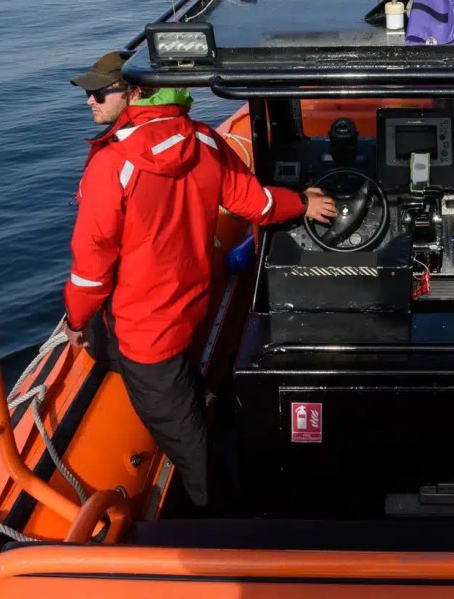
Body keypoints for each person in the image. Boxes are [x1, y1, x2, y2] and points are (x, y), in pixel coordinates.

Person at [61, 50, 336, 509]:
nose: (89, 101)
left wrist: (74, 319)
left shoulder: (111, 166)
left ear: (135, 93)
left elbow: (91, 268)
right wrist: (303, 204)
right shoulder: (205, 141)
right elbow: (258, 204)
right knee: (184, 400)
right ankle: (208, 415)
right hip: (189, 310)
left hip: (144, 334)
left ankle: (220, 516)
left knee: (190, 445)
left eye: (98, 92)